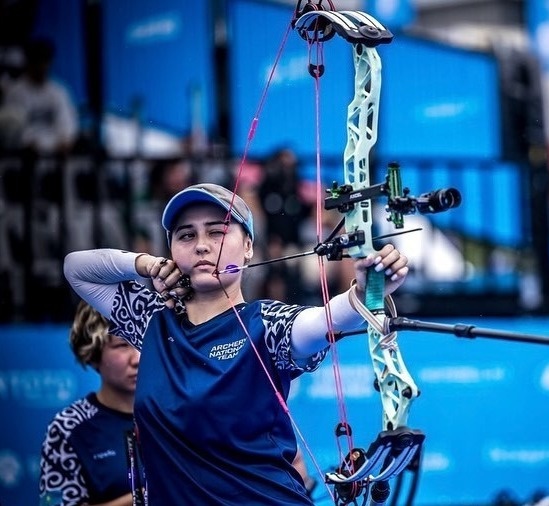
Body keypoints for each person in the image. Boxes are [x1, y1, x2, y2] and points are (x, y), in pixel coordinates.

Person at [63, 182, 409, 505]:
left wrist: (367, 290)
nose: (202, 244)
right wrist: (144, 265)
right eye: (186, 235)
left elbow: (325, 320)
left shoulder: (267, 325)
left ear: (248, 247)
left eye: (217, 231)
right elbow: (76, 268)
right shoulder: (152, 322)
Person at [39, 300, 140, 506]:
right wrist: (144, 497)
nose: (137, 357)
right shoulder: (68, 427)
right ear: (92, 353)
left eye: (143, 342)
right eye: (122, 345)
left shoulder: (177, 412)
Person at [0, 37, 78, 155]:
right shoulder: (15, 92)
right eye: (38, 61)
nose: (42, 66)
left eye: (45, 61)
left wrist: (64, 141)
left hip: (55, 156)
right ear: (29, 62)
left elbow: (67, 124)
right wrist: (27, 143)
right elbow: (11, 129)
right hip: (23, 158)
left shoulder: (59, 91)